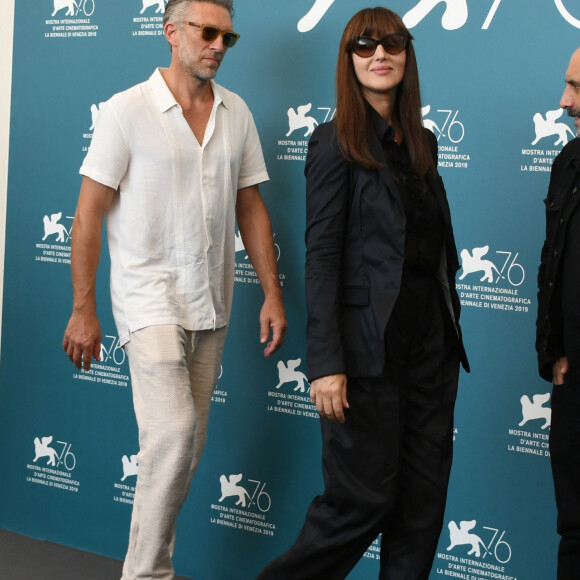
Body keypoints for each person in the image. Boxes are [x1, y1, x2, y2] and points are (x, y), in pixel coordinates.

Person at [62, 1, 287, 578]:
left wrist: (272, 292)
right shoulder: (125, 111)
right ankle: (148, 575)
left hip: (212, 304)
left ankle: (144, 563)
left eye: (228, 38)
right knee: (175, 431)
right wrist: (83, 308)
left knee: (181, 451)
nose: (218, 45)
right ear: (171, 32)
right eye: (207, 32)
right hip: (147, 299)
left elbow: (251, 208)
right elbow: (88, 215)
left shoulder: (236, 114)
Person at [258, 7, 468, 580]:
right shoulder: (333, 142)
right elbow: (322, 257)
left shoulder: (422, 142)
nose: (380, 54)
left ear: (407, 54)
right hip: (363, 354)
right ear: (349, 59)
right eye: (364, 45)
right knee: (360, 504)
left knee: (422, 510)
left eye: (392, 44)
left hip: (431, 349)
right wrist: (326, 363)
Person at [536, 47, 580, 580]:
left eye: (574, 87)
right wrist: (555, 351)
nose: (564, 102)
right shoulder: (567, 163)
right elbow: (554, 262)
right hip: (573, 385)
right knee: (574, 527)